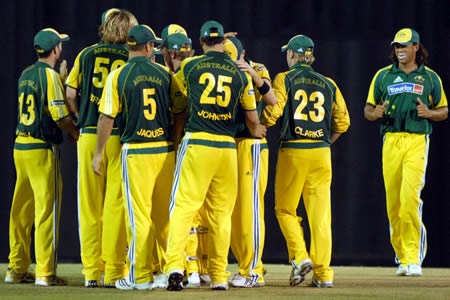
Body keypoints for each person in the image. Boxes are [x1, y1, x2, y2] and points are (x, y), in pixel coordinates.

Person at [164, 20, 266, 291]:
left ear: (200, 42)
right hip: (227, 147)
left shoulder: (191, 66)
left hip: (198, 141)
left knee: (183, 207)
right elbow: (254, 121)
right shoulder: (240, 74)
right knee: (221, 215)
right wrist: (258, 129)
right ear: (223, 41)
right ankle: (219, 276)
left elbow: (175, 98)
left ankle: (175, 264)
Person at [92, 24, 184, 290]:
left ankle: (141, 275)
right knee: (165, 216)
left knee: (138, 216)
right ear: (148, 47)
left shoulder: (118, 76)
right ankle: (171, 268)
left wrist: (98, 154)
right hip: (164, 150)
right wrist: (175, 142)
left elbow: (106, 116)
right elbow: (179, 110)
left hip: (136, 150)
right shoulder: (165, 73)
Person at [263, 35, 350, 288]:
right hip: (322, 153)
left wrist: (262, 121)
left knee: (285, 210)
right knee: (321, 217)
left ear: (291, 55)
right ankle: (323, 275)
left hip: (294, 150)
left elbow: (274, 111)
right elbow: (343, 123)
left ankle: (301, 257)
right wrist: (324, 143)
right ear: (310, 56)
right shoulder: (328, 82)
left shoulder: (285, 78)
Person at [364, 28, 448, 276]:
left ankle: (414, 257)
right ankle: (402, 257)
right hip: (391, 140)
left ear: (416, 48)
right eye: (397, 47)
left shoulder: (430, 78)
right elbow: (368, 109)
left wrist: (429, 114)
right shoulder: (383, 76)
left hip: (417, 140)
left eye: (405, 46)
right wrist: (374, 113)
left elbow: (443, 110)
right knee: (394, 203)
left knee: (410, 199)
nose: (400, 51)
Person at [65, 9, 138, 287]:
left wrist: (77, 115)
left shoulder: (85, 55)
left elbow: (71, 92)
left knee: (89, 206)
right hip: (119, 135)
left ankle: (91, 272)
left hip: (89, 133)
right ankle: (114, 270)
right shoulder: (129, 57)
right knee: (115, 205)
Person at [5, 28, 79, 286]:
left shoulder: (26, 74)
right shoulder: (50, 76)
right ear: (56, 49)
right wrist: (74, 131)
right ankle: (45, 272)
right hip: (41, 149)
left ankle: (16, 268)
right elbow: (59, 115)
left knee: (21, 211)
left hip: (20, 147)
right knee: (47, 211)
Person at [223, 37, 277, 288]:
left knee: (250, 210)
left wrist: (253, 73)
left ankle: (253, 270)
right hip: (227, 145)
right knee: (232, 211)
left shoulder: (258, 67)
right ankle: (245, 265)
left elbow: (272, 99)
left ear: (243, 52)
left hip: (250, 145)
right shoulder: (219, 68)